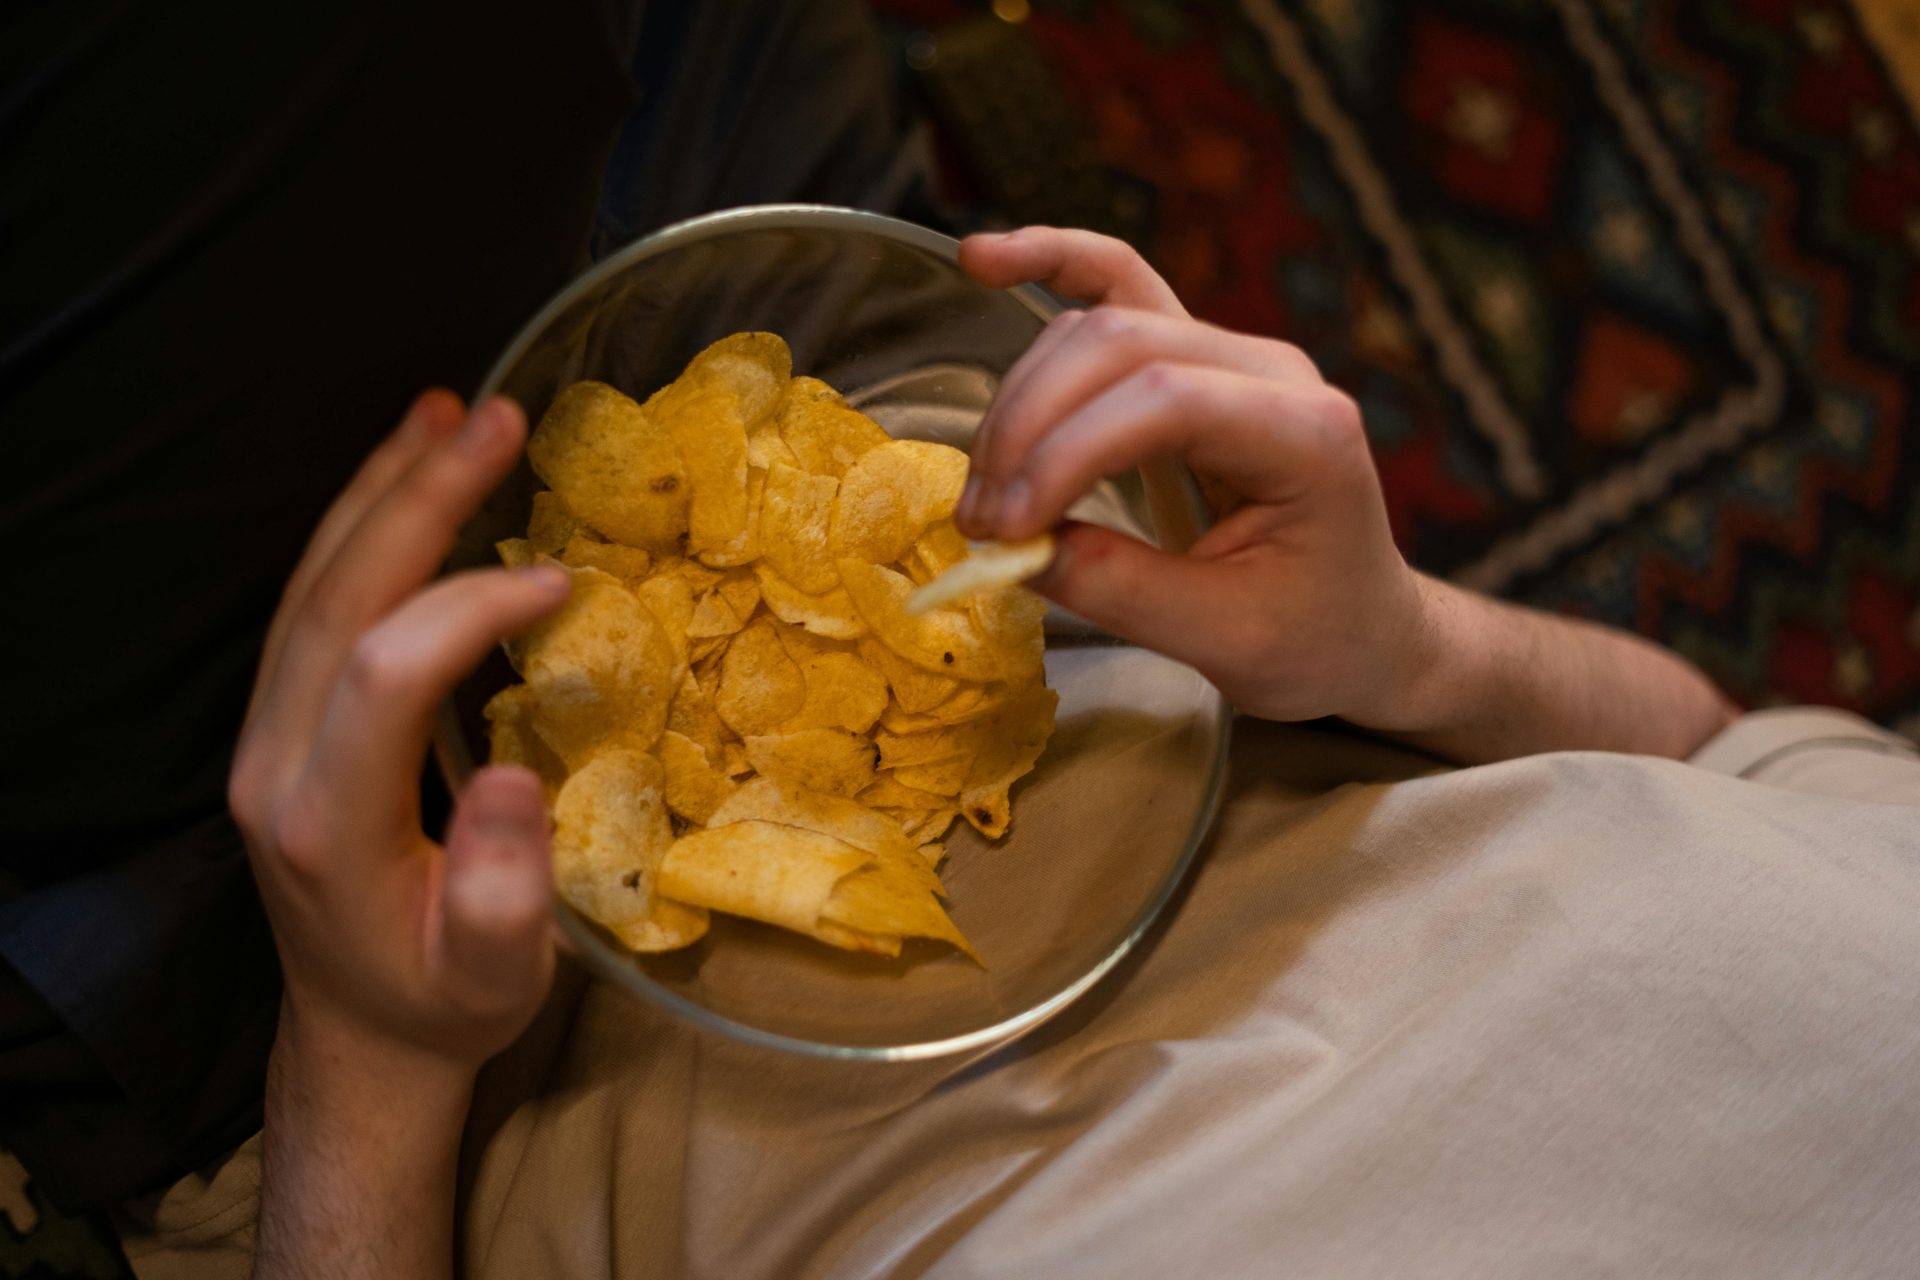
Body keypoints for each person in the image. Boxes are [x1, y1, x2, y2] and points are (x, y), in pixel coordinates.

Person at [185, 227, 1920, 1279]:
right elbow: (1728, 751)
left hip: (391, 965)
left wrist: (359, 1070)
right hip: (925, 435)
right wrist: (1403, 644)